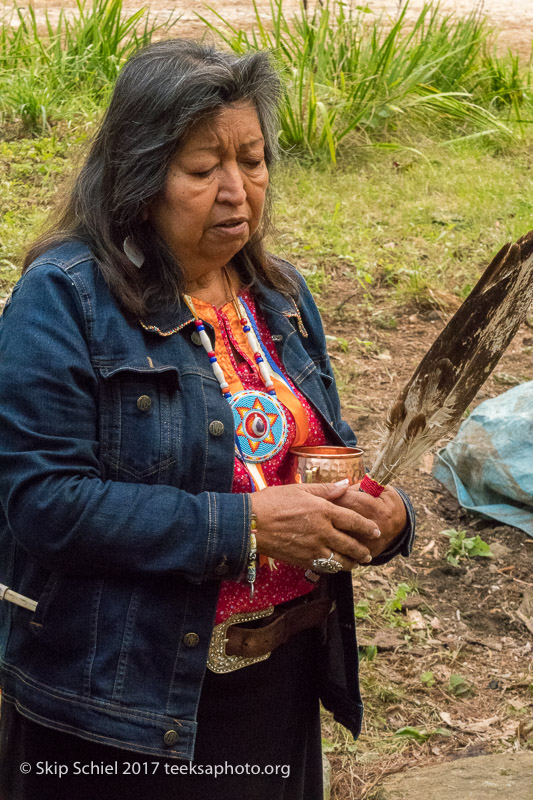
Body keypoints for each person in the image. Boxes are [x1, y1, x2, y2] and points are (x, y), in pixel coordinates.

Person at [0, 39, 415, 800]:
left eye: (252, 161)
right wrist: (245, 527)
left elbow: (323, 448)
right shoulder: (64, 300)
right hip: (121, 709)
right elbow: (43, 504)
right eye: (201, 170)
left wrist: (382, 519)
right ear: (141, 176)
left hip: (273, 682)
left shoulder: (277, 297)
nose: (237, 192)